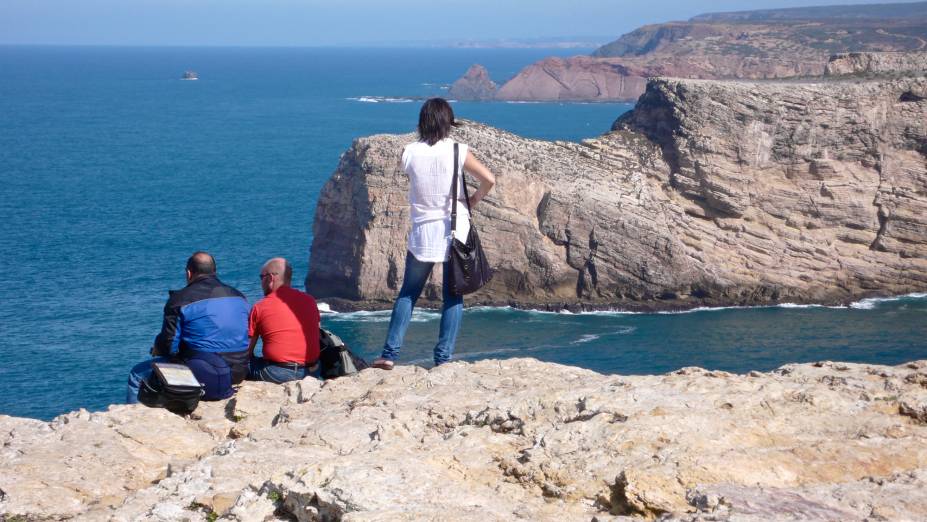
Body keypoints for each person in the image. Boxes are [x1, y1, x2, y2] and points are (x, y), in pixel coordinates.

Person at [372, 98, 495, 370]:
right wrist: (472, 201)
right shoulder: (458, 150)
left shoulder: (409, 152)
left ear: (423, 121)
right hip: (455, 230)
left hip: (423, 232)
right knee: (453, 296)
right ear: (447, 122)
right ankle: (443, 359)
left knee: (408, 293)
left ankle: (390, 355)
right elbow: (490, 179)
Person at [126, 252, 251, 403]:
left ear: (189, 273)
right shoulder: (239, 296)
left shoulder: (179, 300)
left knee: (137, 374)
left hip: (207, 374)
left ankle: (137, 416)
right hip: (238, 371)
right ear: (214, 271)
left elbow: (169, 346)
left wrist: (158, 347)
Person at [247, 257, 321, 383]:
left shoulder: (260, 307)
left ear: (270, 278)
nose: (261, 282)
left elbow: (247, 350)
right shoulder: (310, 301)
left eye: (261, 277)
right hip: (313, 371)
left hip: (278, 373)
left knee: (241, 363)